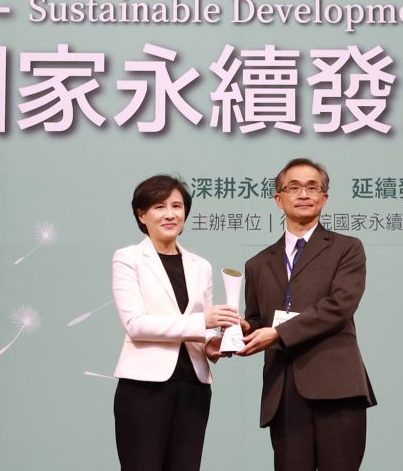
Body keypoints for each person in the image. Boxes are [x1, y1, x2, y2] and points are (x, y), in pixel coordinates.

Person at [237, 158, 376, 471]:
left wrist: (279, 333)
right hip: (284, 391)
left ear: (324, 198)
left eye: (313, 188)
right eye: (294, 187)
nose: (303, 194)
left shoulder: (347, 248)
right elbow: (257, 319)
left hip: (337, 386)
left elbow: (340, 305)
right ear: (279, 199)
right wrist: (240, 331)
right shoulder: (258, 264)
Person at [112, 174, 241, 471]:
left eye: (177, 206)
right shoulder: (128, 258)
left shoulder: (201, 266)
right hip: (144, 388)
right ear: (141, 215)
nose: (170, 214)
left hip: (194, 387)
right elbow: (135, 325)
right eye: (159, 207)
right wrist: (203, 321)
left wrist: (214, 344)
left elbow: (202, 331)